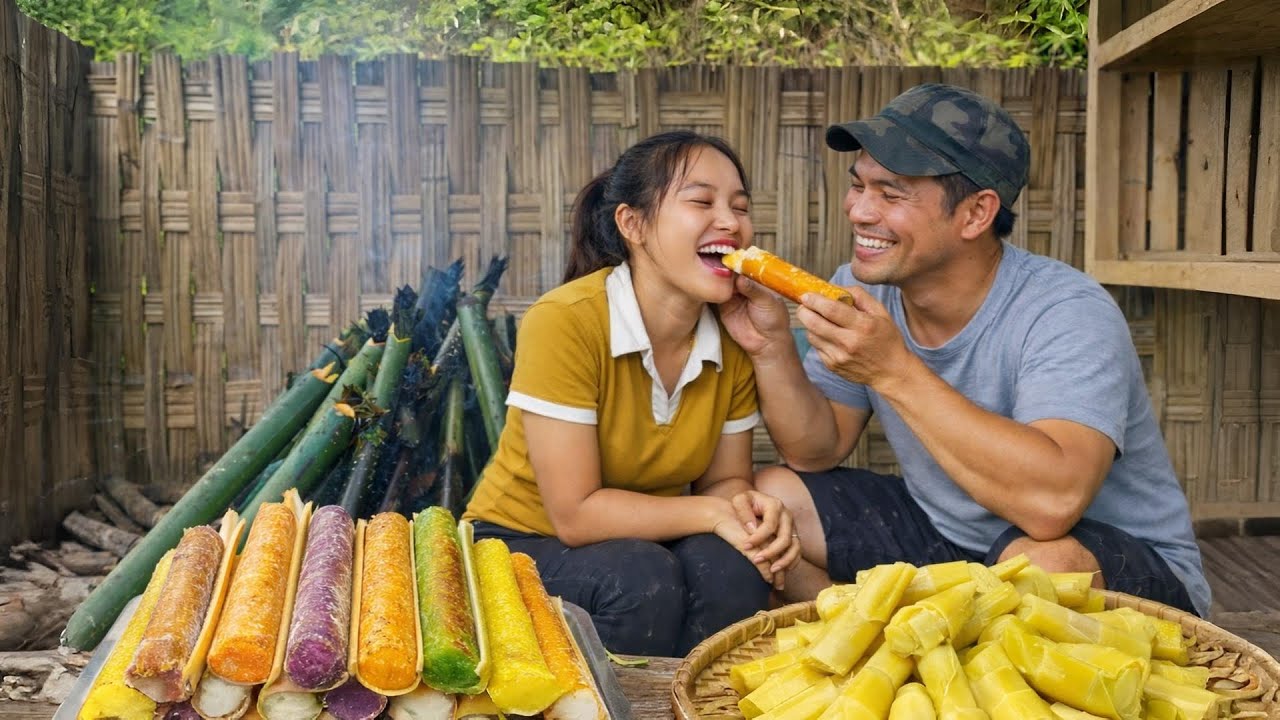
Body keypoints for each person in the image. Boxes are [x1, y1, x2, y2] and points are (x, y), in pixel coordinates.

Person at [719, 83, 1211, 617]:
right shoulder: (867, 290)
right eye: (858, 186)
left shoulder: (1067, 311)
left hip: (1096, 556)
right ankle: (904, 634)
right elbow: (816, 450)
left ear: (976, 214)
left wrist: (893, 370)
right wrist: (770, 347)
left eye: (891, 194)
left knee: (1039, 569)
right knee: (773, 498)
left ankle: (908, 634)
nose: (859, 211)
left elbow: (1053, 505)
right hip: (947, 535)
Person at [463, 131, 803, 656]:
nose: (731, 222)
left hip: (646, 542)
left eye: (740, 207)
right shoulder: (566, 322)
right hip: (520, 542)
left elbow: (724, 480)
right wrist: (716, 514)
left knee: (735, 570)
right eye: (701, 201)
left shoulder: (733, 336)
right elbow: (576, 515)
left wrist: (748, 509)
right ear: (633, 224)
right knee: (638, 579)